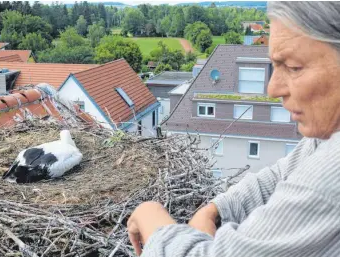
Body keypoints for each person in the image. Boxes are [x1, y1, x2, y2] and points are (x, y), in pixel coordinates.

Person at [127, 2, 340, 256]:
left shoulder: (333, 172)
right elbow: (286, 172)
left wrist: (149, 215)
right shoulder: (326, 138)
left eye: (294, 67)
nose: (272, 89)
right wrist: (216, 210)